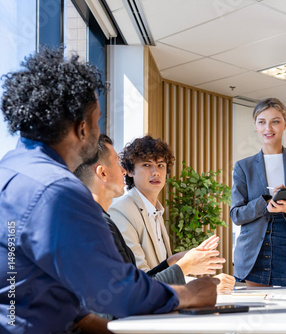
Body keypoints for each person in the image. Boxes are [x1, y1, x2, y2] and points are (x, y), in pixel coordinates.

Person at [0, 48, 218, 333]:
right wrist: (191, 294)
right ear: (82, 129)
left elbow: (34, 283)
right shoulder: (58, 191)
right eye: (97, 120)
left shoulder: (10, 170)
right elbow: (117, 292)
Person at [74, 134, 234, 293]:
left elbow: (143, 280)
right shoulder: (116, 213)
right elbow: (135, 284)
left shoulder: (156, 211)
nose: (155, 172)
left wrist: (175, 261)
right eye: (146, 165)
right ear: (130, 171)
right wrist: (191, 273)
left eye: (161, 165)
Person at [230, 97, 286, 287]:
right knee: (257, 311)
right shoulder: (243, 167)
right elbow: (236, 215)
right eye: (262, 122)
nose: (268, 128)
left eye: (275, 121)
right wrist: (265, 202)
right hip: (255, 250)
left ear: (285, 123)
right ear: (255, 125)